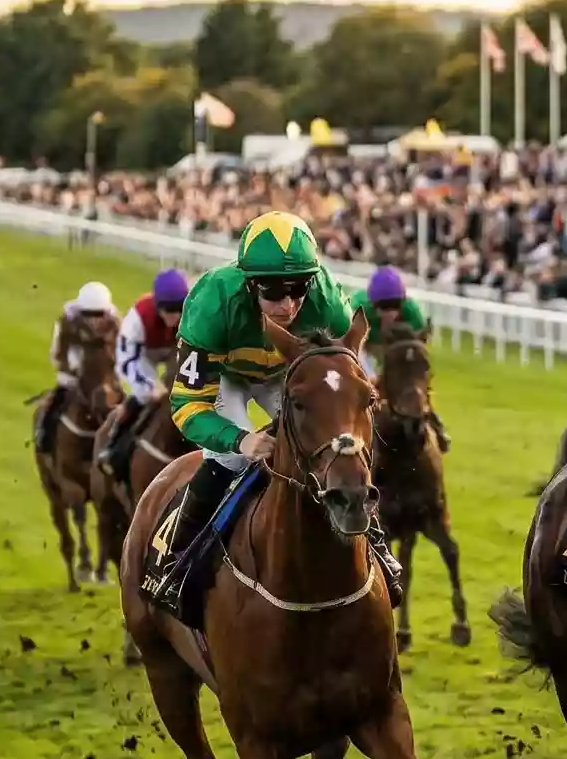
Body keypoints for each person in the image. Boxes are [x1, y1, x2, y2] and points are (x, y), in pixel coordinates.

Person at [146, 212, 396, 614]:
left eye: (299, 289)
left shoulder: (329, 303)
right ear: (249, 284)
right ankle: (176, 562)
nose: (289, 304)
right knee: (231, 456)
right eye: (274, 292)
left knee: (327, 446)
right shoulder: (212, 304)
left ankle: (376, 543)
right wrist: (241, 438)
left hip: (287, 374)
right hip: (225, 376)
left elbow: (342, 382)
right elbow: (187, 403)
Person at [97, 268, 187, 482]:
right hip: (142, 352)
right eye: (167, 309)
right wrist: (149, 387)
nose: (173, 316)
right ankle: (113, 443)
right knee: (146, 395)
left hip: (176, 347)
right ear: (157, 305)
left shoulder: (195, 311)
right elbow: (127, 361)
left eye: (178, 309)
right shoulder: (138, 318)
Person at [37, 280, 116, 456]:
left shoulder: (116, 325)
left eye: (98, 314)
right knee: (57, 400)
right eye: (89, 314)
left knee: (123, 403)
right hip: (73, 375)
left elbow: (121, 353)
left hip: (104, 376)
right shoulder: (66, 323)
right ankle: (44, 433)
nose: (94, 320)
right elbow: (58, 353)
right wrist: (77, 369)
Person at [349, 266, 432, 352]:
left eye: (396, 305)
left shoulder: (412, 312)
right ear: (372, 303)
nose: (390, 313)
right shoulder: (360, 307)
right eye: (384, 306)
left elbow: (420, 349)